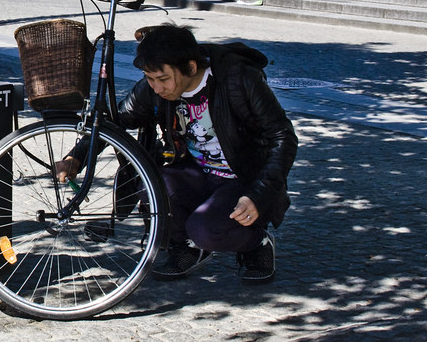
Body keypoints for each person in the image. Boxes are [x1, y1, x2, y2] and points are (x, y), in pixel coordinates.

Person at [57, 24, 297, 284]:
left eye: (163, 79)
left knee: (206, 229)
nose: (157, 88)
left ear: (191, 68)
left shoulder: (237, 79)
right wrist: (77, 156)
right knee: (153, 186)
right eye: (150, 79)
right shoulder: (155, 90)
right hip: (195, 172)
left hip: (242, 177)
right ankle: (186, 247)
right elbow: (114, 121)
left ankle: (257, 243)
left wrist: (259, 195)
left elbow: (283, 136)